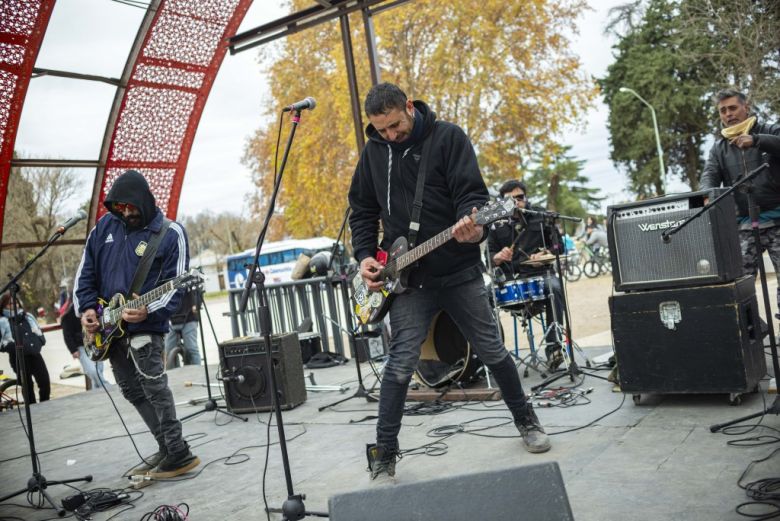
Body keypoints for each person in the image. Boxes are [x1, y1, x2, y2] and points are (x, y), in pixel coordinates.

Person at [349, 83, 551, 480]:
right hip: (405, 278)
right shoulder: (374, 152)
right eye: (381, 129)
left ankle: (527, 421)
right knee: (398, 365)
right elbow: (361, 210)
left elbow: (472, 199)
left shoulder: (449, 137)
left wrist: (472, 229)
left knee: (493, 349)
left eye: (394, 126)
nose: (389, 135)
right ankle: (385, 452)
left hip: (458, 271)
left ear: (408, 107)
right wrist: (365, 257)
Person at [74, 169, 199, 478]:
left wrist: (149, 311)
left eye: (131, 207)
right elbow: (85, 271)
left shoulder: (170, 233)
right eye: (120, 207)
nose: (126, 212)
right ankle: (167, 448)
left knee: (154, 387)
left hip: (145, 328)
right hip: (109, 327)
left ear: (144, 201)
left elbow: (176, 285)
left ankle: (178, 451)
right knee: (131, 390)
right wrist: (87, 308)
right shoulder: (104, 226)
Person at [700, 89, 780, 310]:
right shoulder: (719, 148)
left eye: (733, 108)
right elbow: (709, 175)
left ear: (746, 107)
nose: (728, 114)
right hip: (744, 224)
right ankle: (749, 329)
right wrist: (706, 195)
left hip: (777, 219)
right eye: (723, 110)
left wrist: (755, 140)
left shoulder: (768, 130)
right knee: (737, 283)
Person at [487, 180, 566, 369]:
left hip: (541, 274)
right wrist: (497, 257)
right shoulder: (495, 223)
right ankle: (493, 355)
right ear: (501, 202)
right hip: (509, 280)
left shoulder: (541, 217)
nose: (516, 202)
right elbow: (487, 258)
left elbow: (558, 246)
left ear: (526, 197)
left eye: (519, 197)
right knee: (481, 297)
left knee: (555, 288)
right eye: (509, 199)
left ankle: (554, 348)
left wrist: (546, 253)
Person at [0, 292, 50, 403]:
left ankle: (45, 405)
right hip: (18, 358)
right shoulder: (2, 322)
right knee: (27, 386)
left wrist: (39, 342)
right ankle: (32, 409)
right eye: (10, 304)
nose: (14, 305)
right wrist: (15, 347)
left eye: (16, 302)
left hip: (35, 355)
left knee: (44, 382)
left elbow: (38, 332)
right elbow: (1, 344)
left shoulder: (28, 317)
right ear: (3, 306)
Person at [60, 289, 107, 390]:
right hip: (81, 346)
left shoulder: (94, 309)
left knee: (99, 369)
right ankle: (106, 386)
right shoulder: (68, 316)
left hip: (96, 342)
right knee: (92, 370)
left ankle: (97, 391)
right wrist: (73, 350)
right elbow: (67, 335)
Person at [164, 288, 201, 367]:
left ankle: (197, 371)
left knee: (192, 349)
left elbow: (197, 293)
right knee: (168, 350)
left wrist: (196, 304)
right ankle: (173, 374)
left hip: (189, 318)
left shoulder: (190, 280)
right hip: (171, 320)